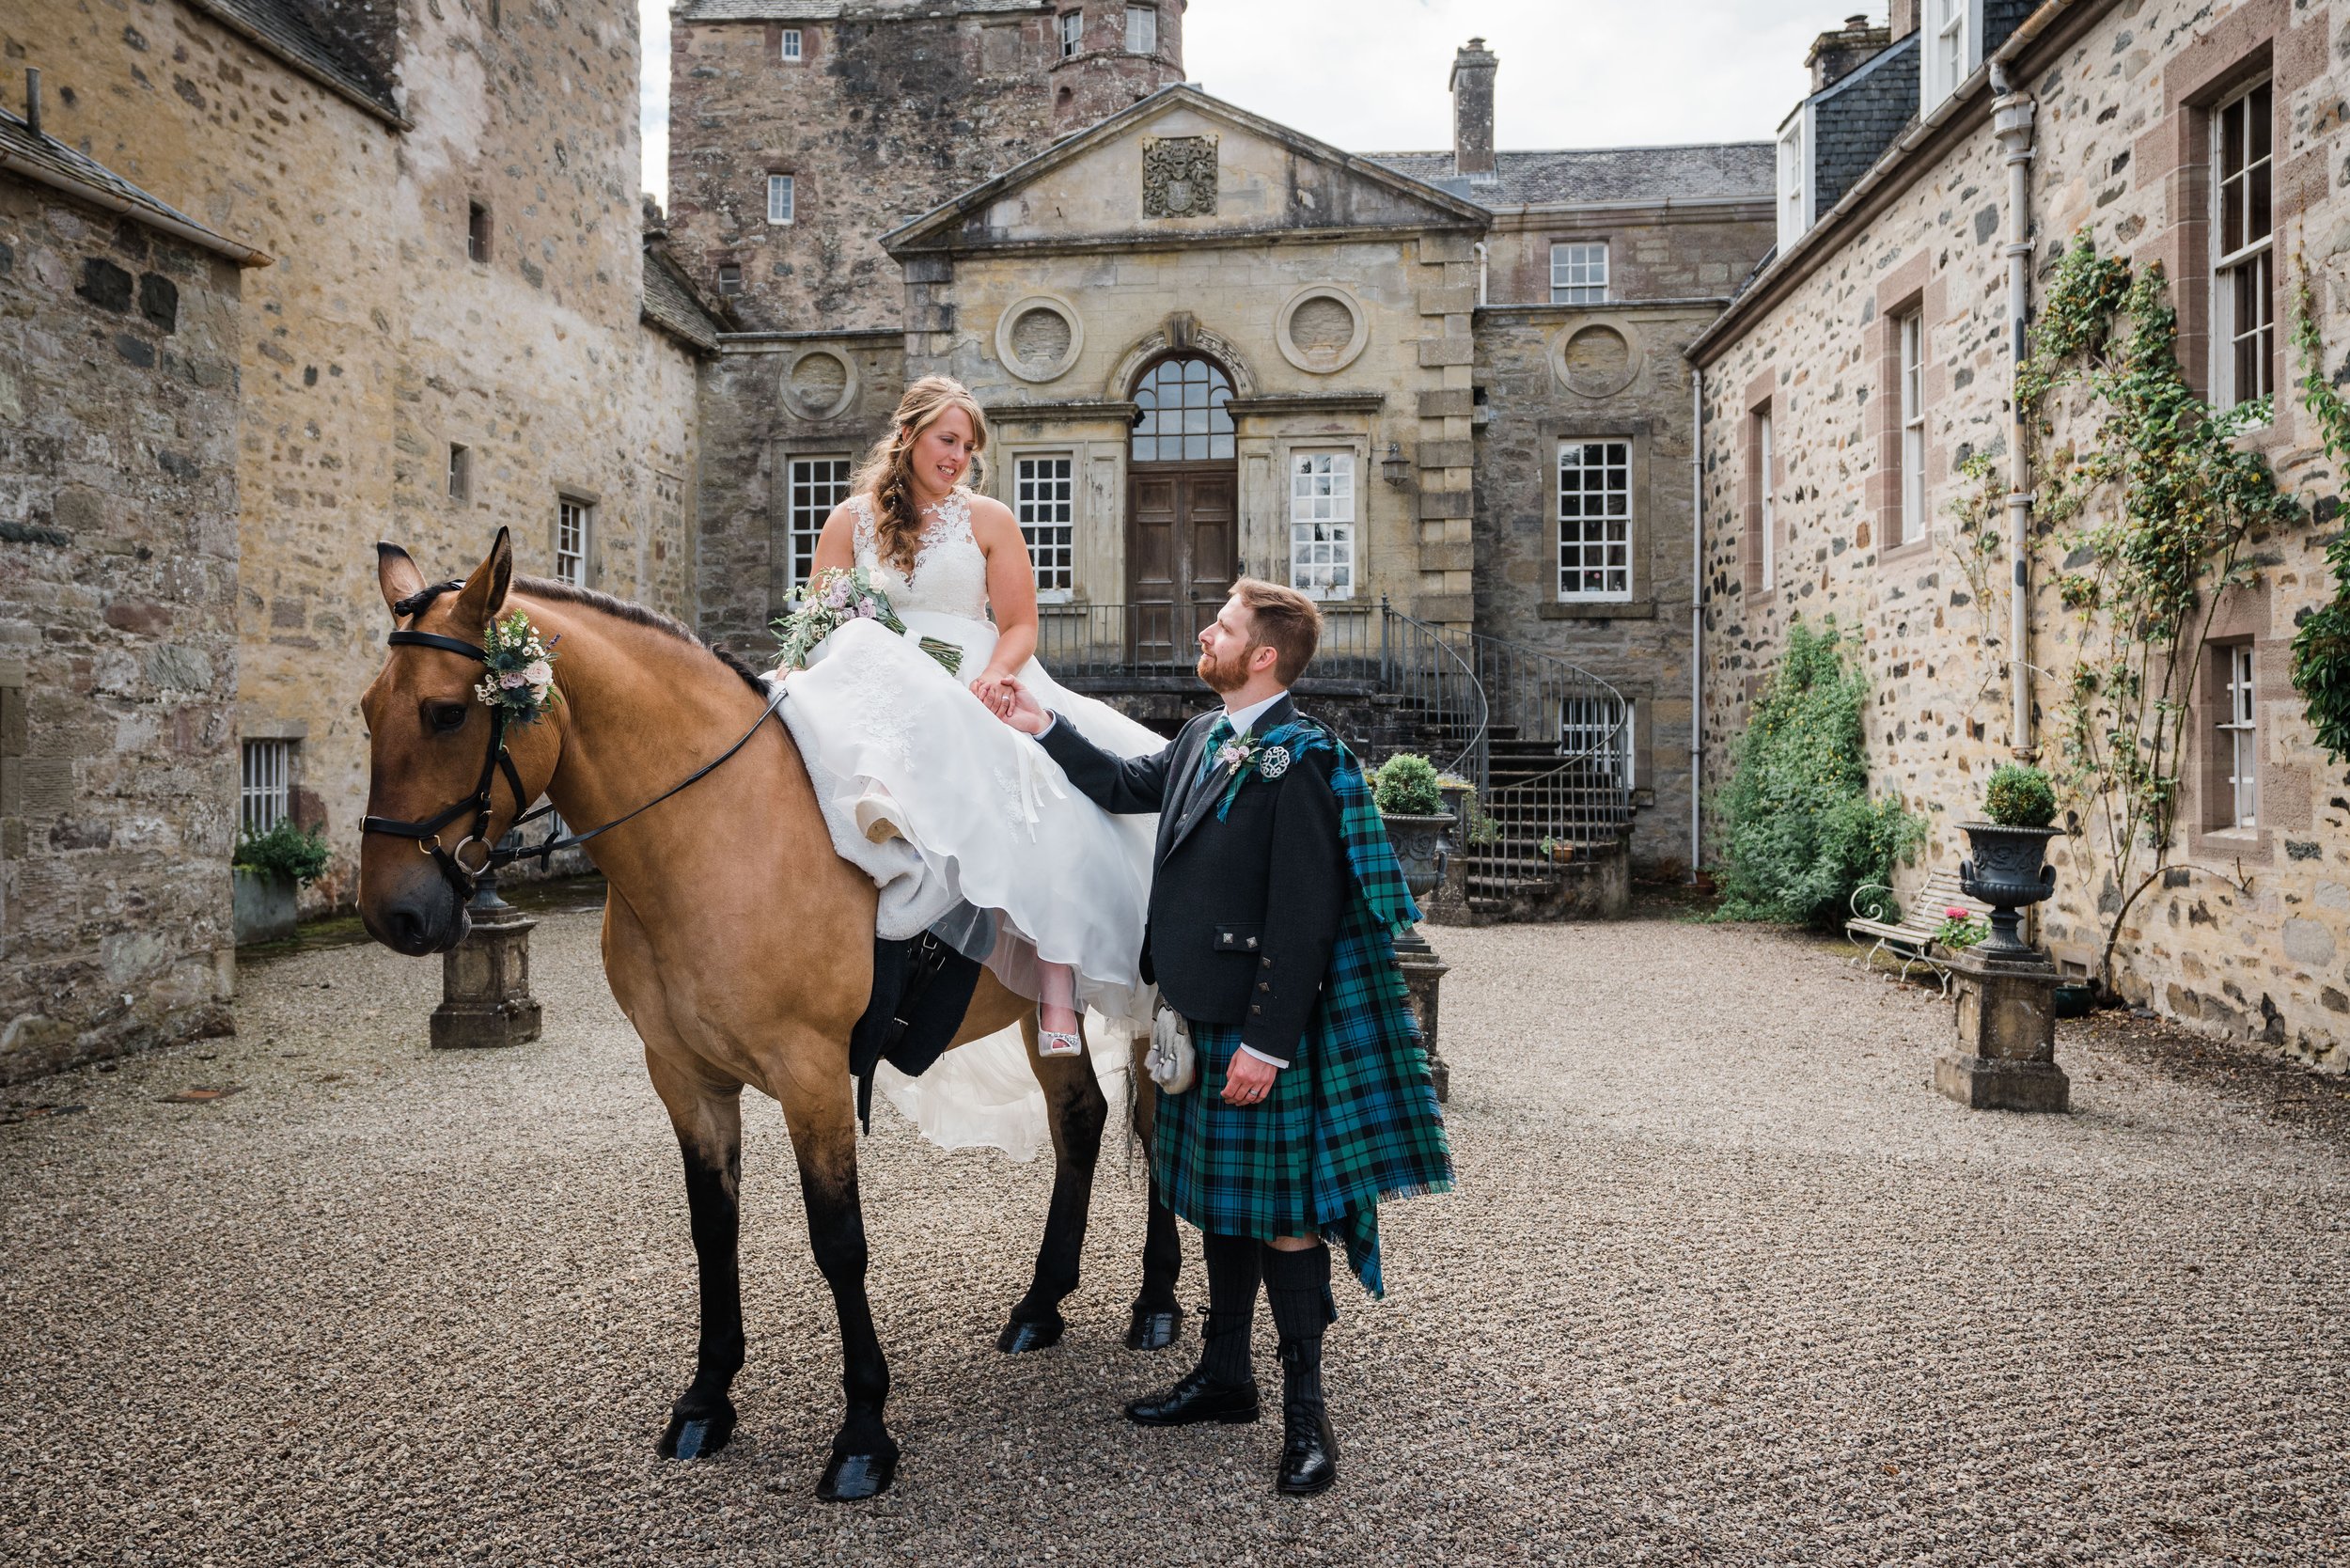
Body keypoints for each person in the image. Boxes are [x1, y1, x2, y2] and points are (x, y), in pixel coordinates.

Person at [993, 578, 1454, 1497]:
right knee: (1221, 1206)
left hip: (1254, 1028)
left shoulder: (1303, 759)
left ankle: (1306, 1420)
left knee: (1284, 1223)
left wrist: (1267, 1043)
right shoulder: (1205, 736)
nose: (1205, 633)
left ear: (1264, 655)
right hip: (1192, 1014)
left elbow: (1305, 915)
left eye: (1225, 627)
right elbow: (1128, 784)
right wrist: (1038, 722)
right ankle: (1224, 1375)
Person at [777, 377, 1166, 1146]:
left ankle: (1055, 984)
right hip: (878, 681)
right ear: (910, 435)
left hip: (974, 677)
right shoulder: (849, 521)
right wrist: (799, 667)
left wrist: (998, 672)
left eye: (968, 446)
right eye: (947, 440)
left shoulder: (987, 519)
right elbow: (821, 616)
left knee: (1038, 796)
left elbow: (1019, 625)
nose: (958, 457)